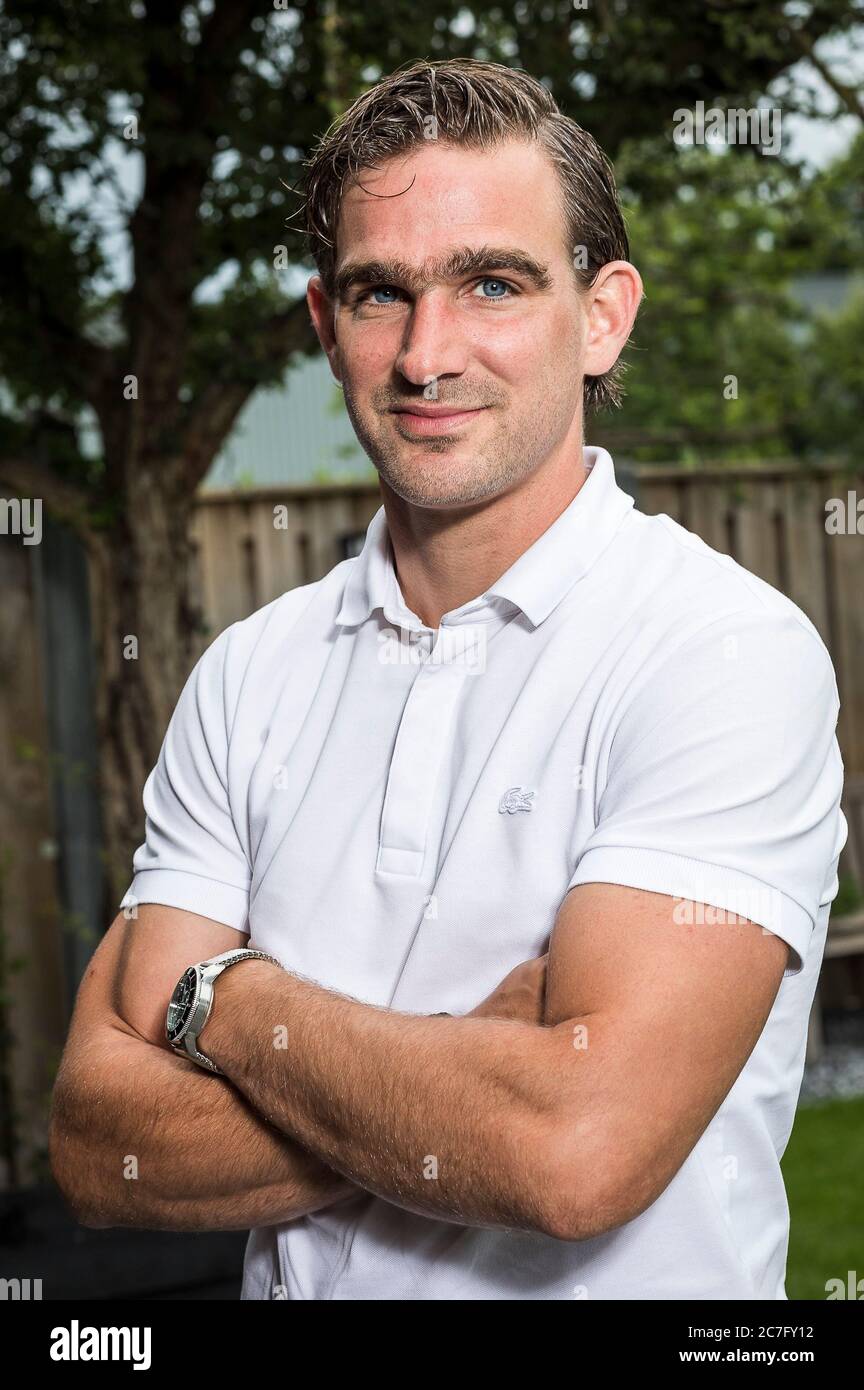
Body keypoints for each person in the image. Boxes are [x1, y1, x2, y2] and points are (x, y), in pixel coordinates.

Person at [50, 58, 846, 1300]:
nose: (428, 354)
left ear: (603, 314)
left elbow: (575, 1152)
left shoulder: (720, 652)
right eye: (381, 293)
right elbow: (102, 1147)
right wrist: (470, 1064)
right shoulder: (247, 675)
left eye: (491, 282)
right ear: (326, 323)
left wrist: (230, 1003)